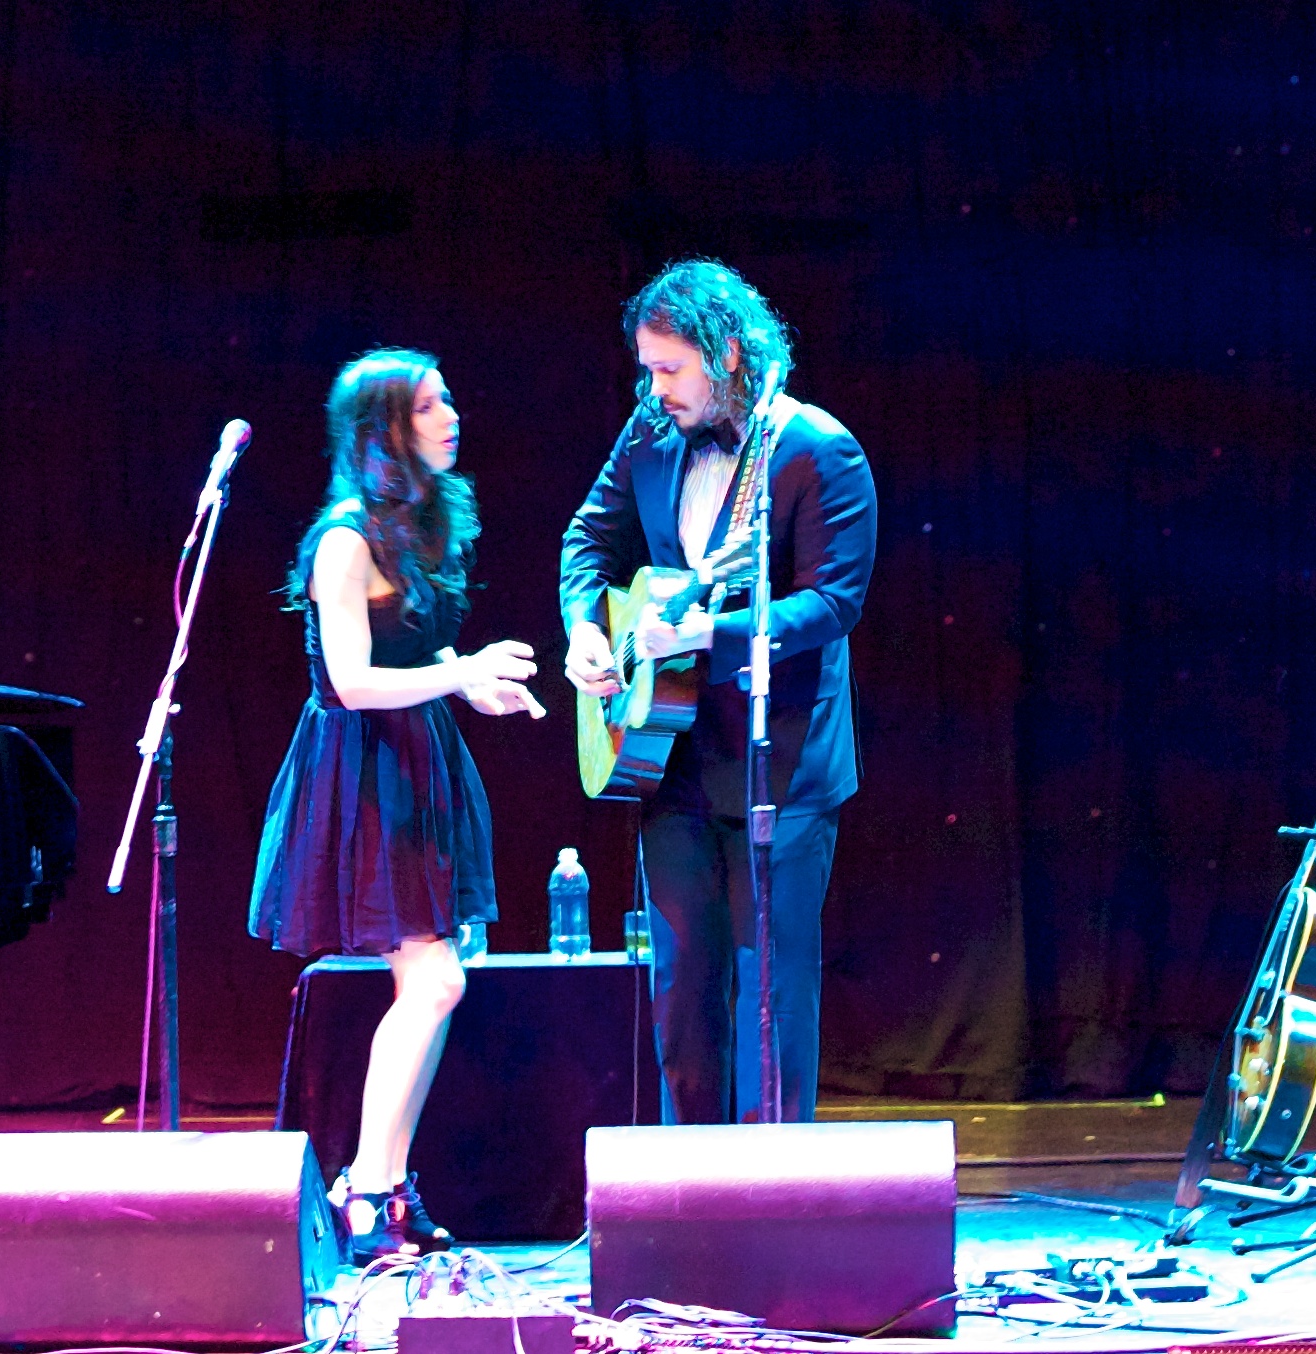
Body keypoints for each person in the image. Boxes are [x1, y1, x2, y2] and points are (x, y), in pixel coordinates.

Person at [560, 261, 877, 1125]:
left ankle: (769, 1201)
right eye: (646, 368)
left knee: (771, 998)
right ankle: (682, 1197)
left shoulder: (816, 448)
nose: (652, 387)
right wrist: (587, 631)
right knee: (683, 995)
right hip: (668, 760)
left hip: (783, 766)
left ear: (729, 353)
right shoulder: (649, 433)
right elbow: (587, 539)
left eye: (669, 368)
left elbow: (833, 602)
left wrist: (713, 635)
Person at [250, 348, 545, 1263]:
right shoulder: (346, 540)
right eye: (427, 406)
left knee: (431, 986)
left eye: (448, 398)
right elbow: (348, 682)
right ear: (384, 429)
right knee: (437, 981)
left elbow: (418, 667)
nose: (451, 414)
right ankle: (368, 1192)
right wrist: (457, 674)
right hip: (364, 771)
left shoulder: (425, 526)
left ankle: (382, 1185)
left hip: (418, 763)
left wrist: (474, 689)